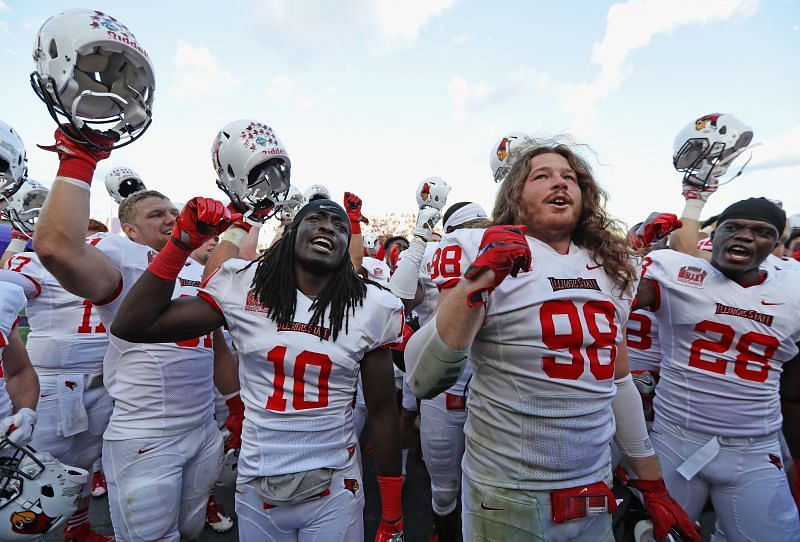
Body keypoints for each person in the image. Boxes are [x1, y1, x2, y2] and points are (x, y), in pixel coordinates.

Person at [405, 138, 698, 542]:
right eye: (541, 176)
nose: (559, 184)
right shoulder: (474, 246)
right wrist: (480, 278)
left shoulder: (613, 265)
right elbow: (422, 378)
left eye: (569, 177)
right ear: (515, 192)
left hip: (592, 483)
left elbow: (617, 380)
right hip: (508, 490)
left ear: (585, 193)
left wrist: (652, 482)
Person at [111, 197, 407, 542]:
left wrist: (392, 514)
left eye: (340, 225)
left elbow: (383, 410)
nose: (329, 226)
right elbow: (134, 324)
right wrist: (180, 245)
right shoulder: (244, 286)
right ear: (292, 232)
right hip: (256, 479)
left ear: (346, 247)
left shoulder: (371, 306)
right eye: (317, 219)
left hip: (334, 481)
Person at [33, 127, 222, 541]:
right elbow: (57, 249)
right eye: (156, 215)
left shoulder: (198, 269)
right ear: (129, 231)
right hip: (147, 434)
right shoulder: (126, 260)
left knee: (190, 531)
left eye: (173, 212)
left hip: (202, 426)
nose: (171, 219)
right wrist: (79, 161)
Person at [634, 197, 800, 541]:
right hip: (676, 438)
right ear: (719, 232)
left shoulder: (793, 288)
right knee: (658, 535)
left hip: (755, 448)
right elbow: (611, 299)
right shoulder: (676, 272)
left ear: (775, 244)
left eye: (761, 232)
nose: (745, 236)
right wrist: (630, 254)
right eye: (734, 227)